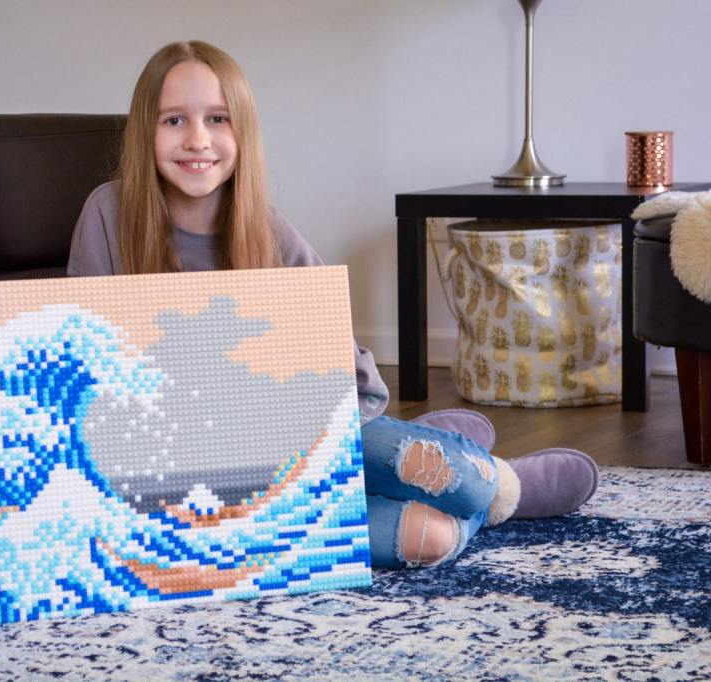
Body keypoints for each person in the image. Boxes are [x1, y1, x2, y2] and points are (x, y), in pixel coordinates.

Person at [66, 40, 599, 569]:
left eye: (218, 118)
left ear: (242, 130)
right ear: (146, 130)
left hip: (294, 453)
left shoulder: (266, 229)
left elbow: (338, 359)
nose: (198, 139)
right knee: (432, 540)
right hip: (171, 487)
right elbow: (78, 374)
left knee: (472, 486)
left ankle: (507, 487)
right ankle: (437, 454)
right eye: (174, 120)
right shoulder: (108, 214)